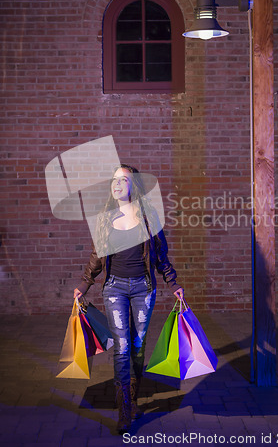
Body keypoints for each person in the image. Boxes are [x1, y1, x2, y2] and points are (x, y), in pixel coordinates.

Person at [74, 164, 184, 434]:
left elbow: (160, 255)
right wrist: (84, 284)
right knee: (122, 347)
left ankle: (133, 400)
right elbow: (97, 256)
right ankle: (124, 409)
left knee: (137, 346)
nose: (117, 184)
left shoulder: (149, 217)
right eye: (114, 180)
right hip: (115, 289)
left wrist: (173, 282)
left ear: (134, 185)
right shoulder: (105, 218)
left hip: (143, 289)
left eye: (123, 179)